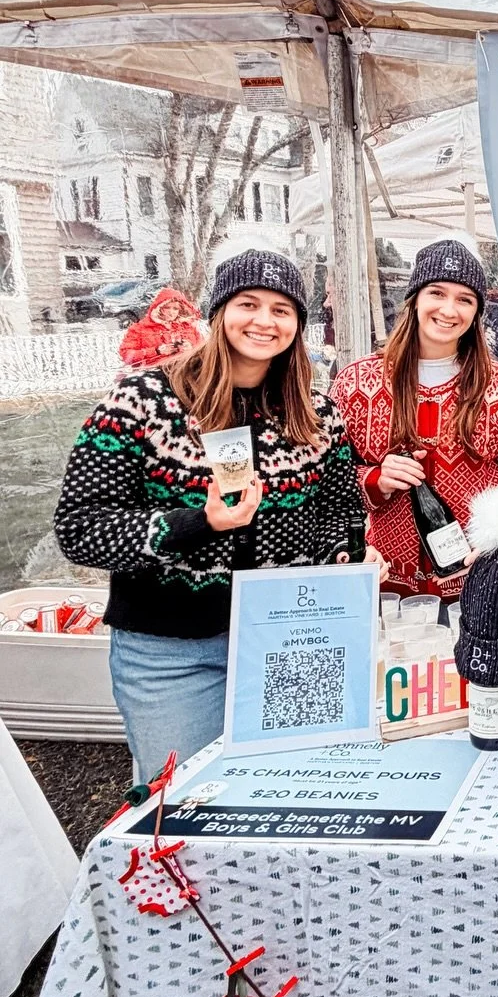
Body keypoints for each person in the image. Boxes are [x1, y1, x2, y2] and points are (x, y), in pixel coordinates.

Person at [54, 249, 370, 775]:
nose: (264, 321)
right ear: (218, 312)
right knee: (180, 799)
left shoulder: (318, 414)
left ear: (297, 324)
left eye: (282, 309)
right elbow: (80, 529)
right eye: (249, 303)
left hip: (288, 639)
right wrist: (197, 523)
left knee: (287, 788)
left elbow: (340, 511)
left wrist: (345, 552)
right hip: (172, 649)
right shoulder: (143, 401)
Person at [330, 239, 498, 599]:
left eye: (464, 299)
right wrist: (375, 479)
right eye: (437, 293)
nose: (449, 310)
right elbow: (329, 482)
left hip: (477, 585)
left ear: (477, 311)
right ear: (415, 298)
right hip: (381, 583)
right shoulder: (356, 383)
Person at [118, 287, 204, 370]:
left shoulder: (189, 328)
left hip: (185, 372)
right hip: (153, 374)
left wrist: (192, 348)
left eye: (175, 309)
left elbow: (205, 352)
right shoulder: (140, 329)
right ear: (159, 308)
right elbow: (127, 355)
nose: (171, 312)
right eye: (167, 308)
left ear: (180, 310)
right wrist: (156, 351)